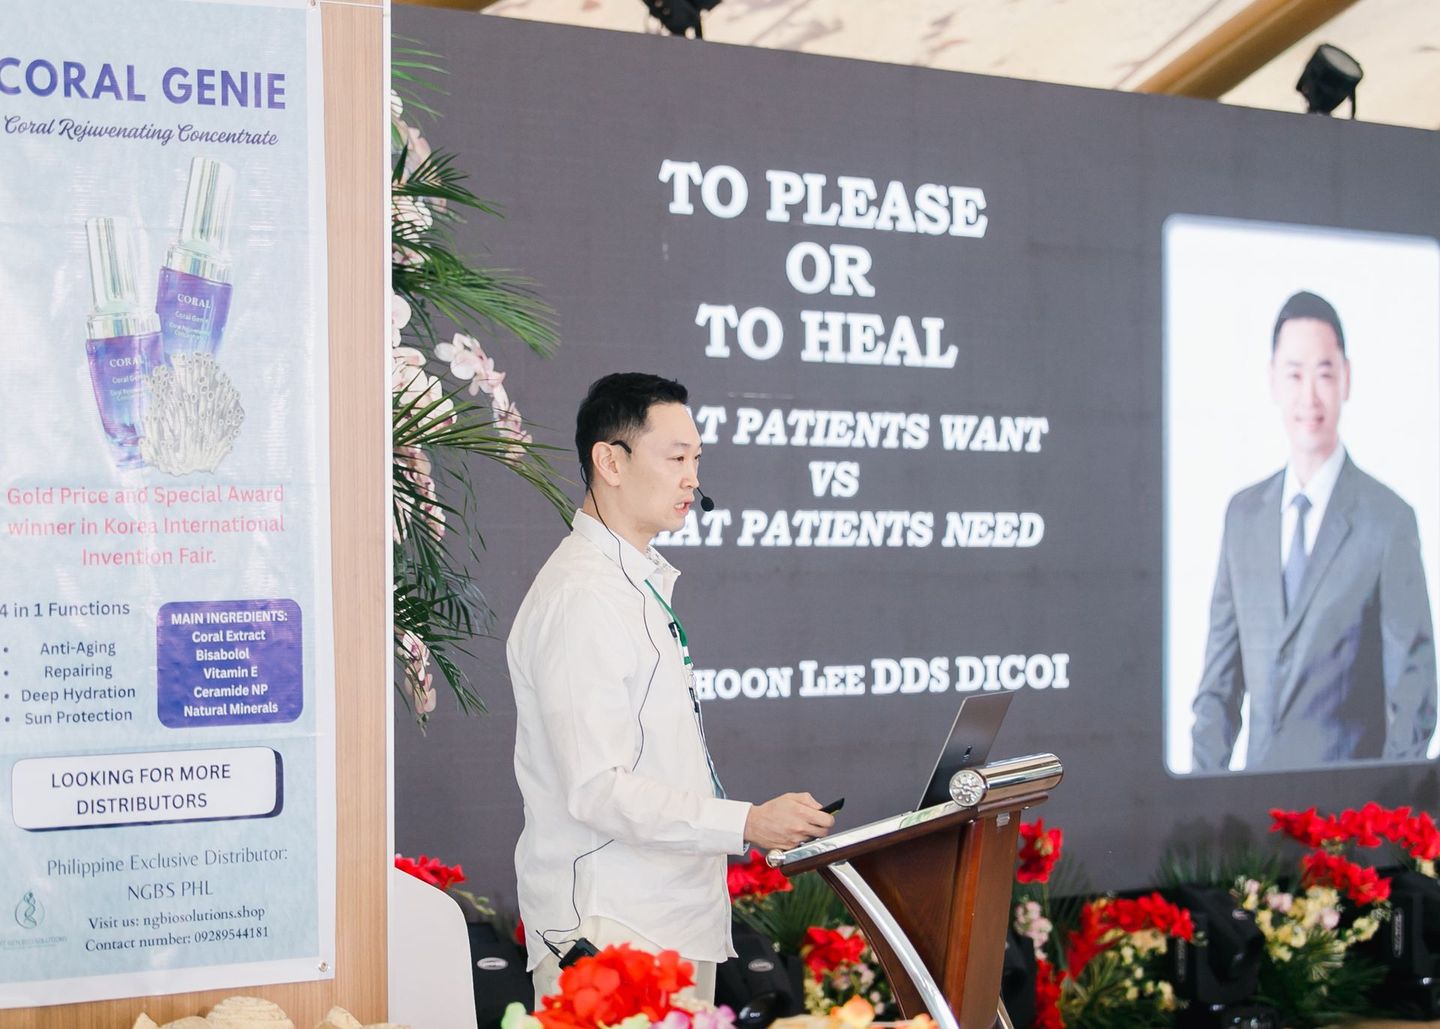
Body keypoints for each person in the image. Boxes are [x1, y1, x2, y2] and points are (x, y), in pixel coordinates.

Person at [508, 372, 835, 1004]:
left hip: (665, 921)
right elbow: (597, 787)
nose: (693, 478)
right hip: (609, 930)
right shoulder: (583, 597)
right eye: (676, 458)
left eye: (697, 460)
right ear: (610, 462)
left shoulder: (633, 583)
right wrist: (747, 822)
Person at [1191, 291, 1437, 772]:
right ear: (1272, 381)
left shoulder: (1389, 520)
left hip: (1346, 821)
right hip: (1252, 815)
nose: (1309, 395)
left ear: (1347, 378)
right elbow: (1218, 689)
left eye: (1324, 373)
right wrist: (1201, 803)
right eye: (1294, 373)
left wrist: (1381, 820)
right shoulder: (1242, 517)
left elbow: (1414, 692)